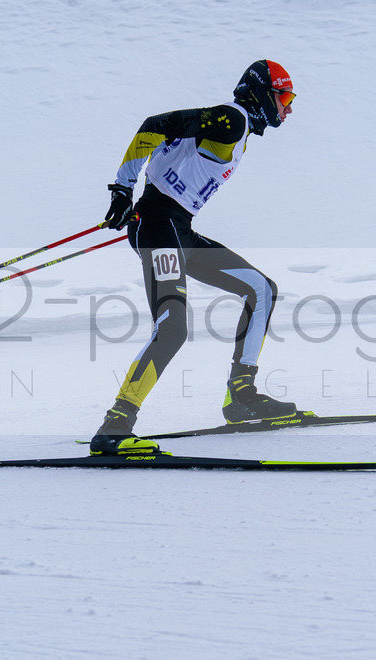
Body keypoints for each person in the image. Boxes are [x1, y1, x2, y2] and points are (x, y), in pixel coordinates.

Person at [89, 60, 300, 455]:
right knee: (172, 328)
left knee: (261, 289)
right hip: (159, 226)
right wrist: (122, 189)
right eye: (284, 97)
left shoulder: (234, 127)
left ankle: (242, 396)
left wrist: (129, 197)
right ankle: (115, 425)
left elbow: (165, 142)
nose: (288, 109)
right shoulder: (232, 119)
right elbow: (154, 125)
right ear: (261, 93)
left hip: (176, 229)